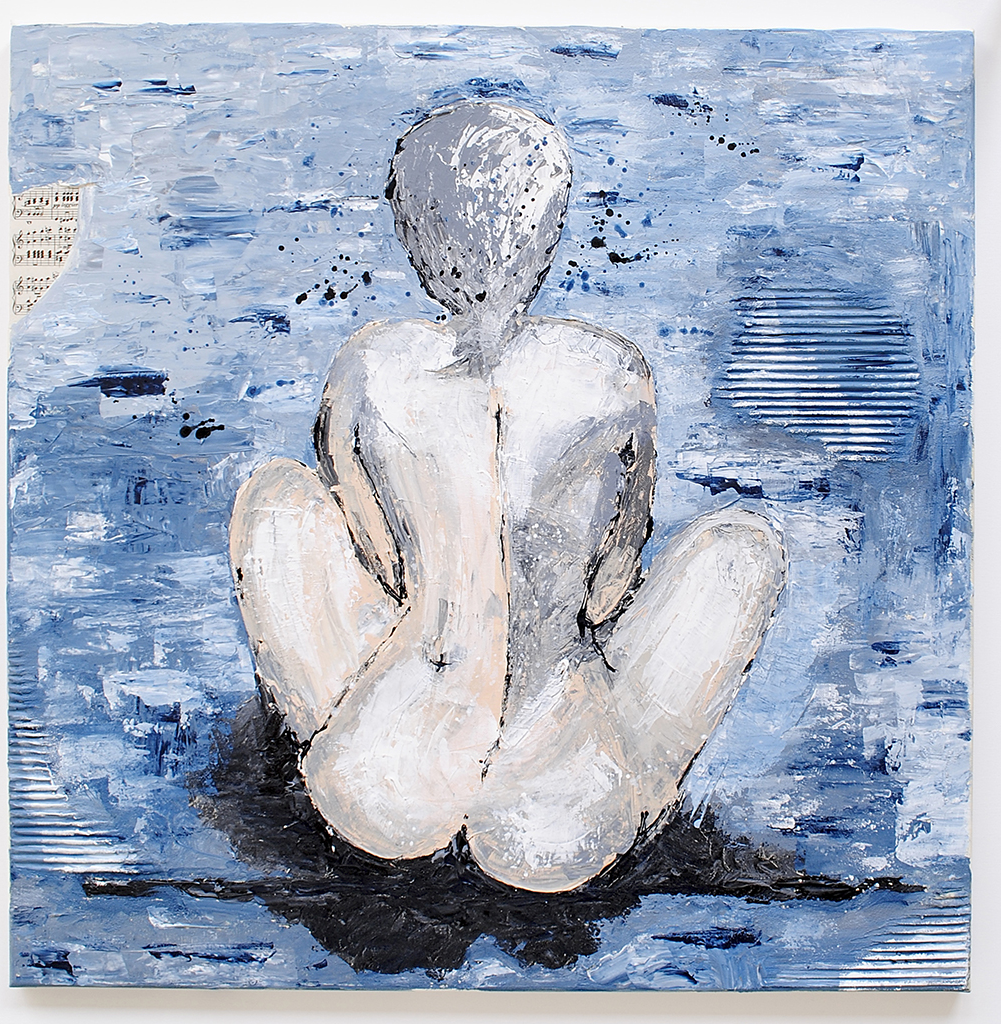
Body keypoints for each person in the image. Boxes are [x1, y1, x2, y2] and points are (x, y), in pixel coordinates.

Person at [229, 102, 785, 893]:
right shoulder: (610, 372)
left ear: (412, 236)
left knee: (275, 498)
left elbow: (377, 559)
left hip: (385, 779)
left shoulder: (371, 366)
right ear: (548, 236)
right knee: (742, 548)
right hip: (560, 809)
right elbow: (610, 584)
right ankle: (597, 773)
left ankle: (381, 754)